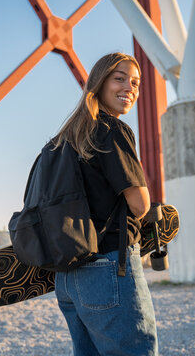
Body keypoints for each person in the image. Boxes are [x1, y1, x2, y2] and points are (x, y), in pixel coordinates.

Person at [51, 52, 157, 355]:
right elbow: (140, 205)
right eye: (120, 78)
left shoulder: (65, 138)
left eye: (135, 83)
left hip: (67, 278)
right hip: (109, 267)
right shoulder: (112, 129)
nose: (130, 88)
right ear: (99, 83)